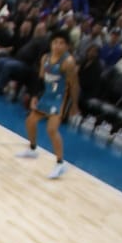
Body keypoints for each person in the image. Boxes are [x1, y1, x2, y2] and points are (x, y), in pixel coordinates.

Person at [16, 32, 78, 179]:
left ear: (67, 46)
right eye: (55, 42)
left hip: (60, 99)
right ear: (51, 43)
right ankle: (32, 149)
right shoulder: (45, 58)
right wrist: (35, 96)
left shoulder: (68, 62)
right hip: (47, 96)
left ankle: (60, 163)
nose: (58, 45)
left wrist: (73, 105)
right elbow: (40, 80)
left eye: (62, 43)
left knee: (51, 129)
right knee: (30, 121)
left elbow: (74, 85)